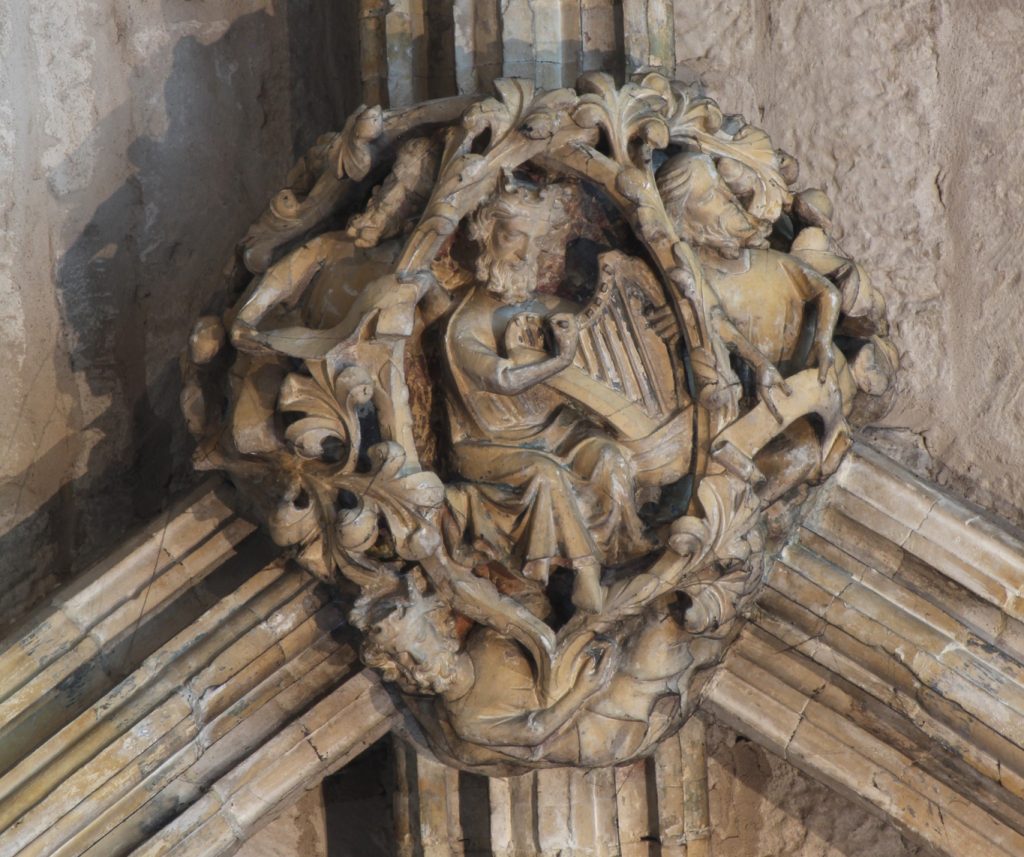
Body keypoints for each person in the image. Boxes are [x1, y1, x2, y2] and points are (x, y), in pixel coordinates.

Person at [442, 180, 652, 613]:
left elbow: (606, 329)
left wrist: (657, 319)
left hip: (557, 431)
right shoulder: (463, 326)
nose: (525, 253)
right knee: (544, 473)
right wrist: (558, 362)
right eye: (514, 236)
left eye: (534, 241)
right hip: (489, 444)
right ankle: (585, 574)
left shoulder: (543, 308)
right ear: (484, 236)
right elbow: (504, 379)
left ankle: (625, 551)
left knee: (610, 455)